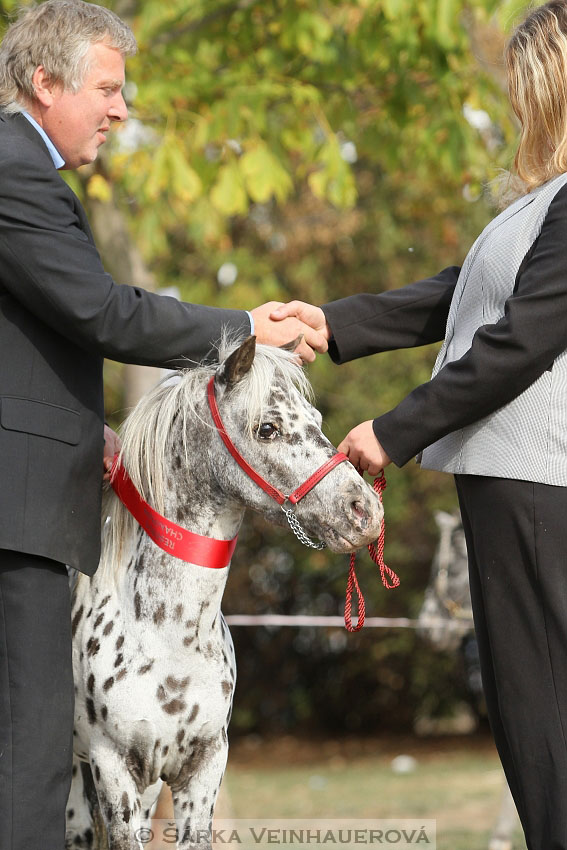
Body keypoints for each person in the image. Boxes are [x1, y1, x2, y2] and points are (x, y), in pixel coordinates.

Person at [0, 2, 328, 848]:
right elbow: (100, 311)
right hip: (16, 520)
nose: (121, 109)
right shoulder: (13, 170)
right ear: (44, 82)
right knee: (26, 758)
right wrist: (244, 329)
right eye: (107, 88)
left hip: (29, 495)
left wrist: (79, 429)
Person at [272, 2, 567, 847]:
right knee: (529, 710)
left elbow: (520, 343)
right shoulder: (539, 203)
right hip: (511, 484)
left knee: (541, 708)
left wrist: (391, 432)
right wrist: (332, 323)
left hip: (536, 486)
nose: (515, 105)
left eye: (523, 87)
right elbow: (456, 291)